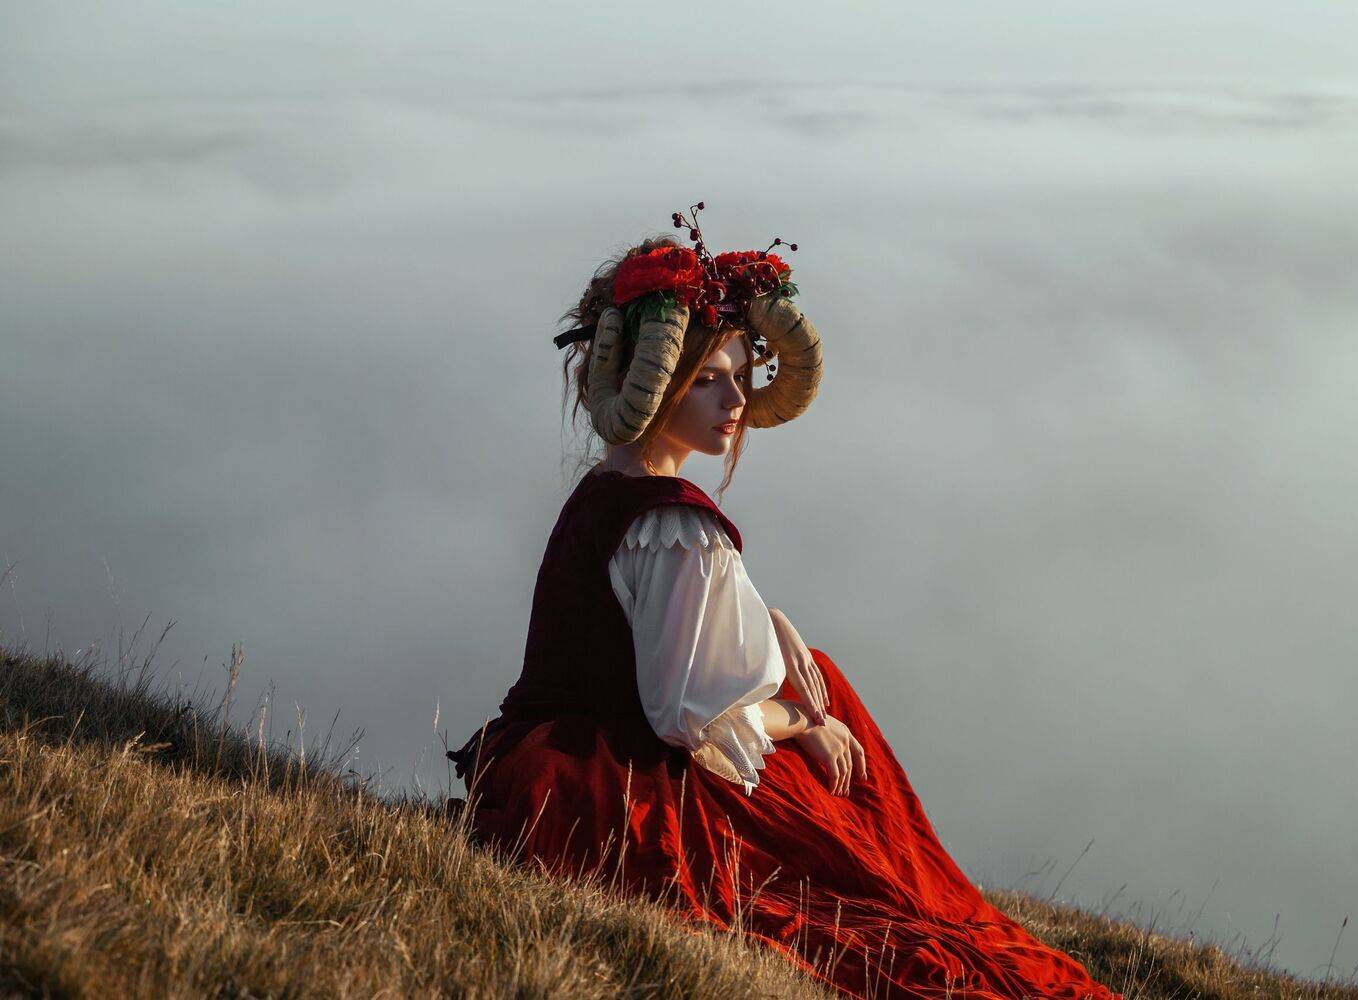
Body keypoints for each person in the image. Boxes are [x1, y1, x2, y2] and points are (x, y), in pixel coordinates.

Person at [446, 213, 1120, 1000]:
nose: (736, 399)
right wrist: (807, 723)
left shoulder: (609, 490)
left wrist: (777, 626)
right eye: (708, 378)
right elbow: (687, 721)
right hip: (623, 789)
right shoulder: (675, 527)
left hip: (552, 760)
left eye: (739, 373)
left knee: (815, 673)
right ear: (651, 382)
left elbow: (655, 628)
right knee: (866, 836)